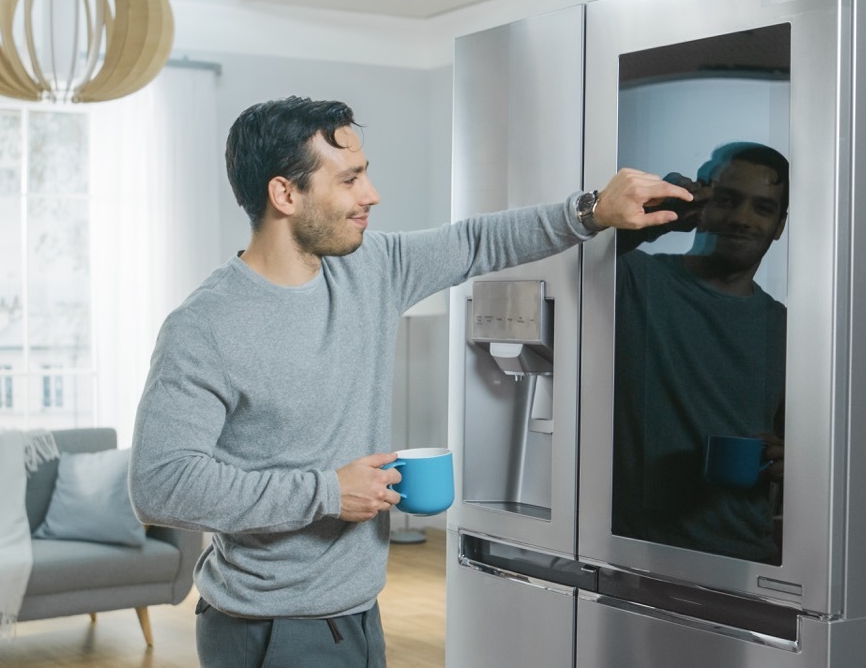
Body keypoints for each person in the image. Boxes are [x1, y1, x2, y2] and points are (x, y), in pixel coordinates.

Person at [128, 96, 691, 667]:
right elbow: (160, 484)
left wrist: (593, 209)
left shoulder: (370, 268)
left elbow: (475, 243)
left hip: (357, 616)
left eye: (365, 174)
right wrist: (326, 492)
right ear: (285, 194)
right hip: (271, 629)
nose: (371, 195)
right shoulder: (206, 326)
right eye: (349, 179)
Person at [611, 141, 789, 564]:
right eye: (727, 200)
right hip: (635, 555)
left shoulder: (789, 330)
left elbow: (804, 447)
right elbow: (554, 266)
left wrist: (797, 462)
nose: (742, 219)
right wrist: (655, 217)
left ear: (780, 225)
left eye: (762, 208)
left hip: (745, 559)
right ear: (701, 201)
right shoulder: (636, 280)